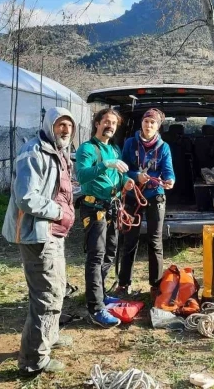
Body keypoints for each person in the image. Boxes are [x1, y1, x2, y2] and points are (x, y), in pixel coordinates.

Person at [2, 107, 77, 376]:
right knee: (46, 296)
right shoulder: (33, 152)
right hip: (38, 234)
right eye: (60, 124)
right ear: (48, 125)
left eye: (69, 125)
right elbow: (26, 197)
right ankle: (33, 361)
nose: (65, 130)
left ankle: (50, 336)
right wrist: (59, 212)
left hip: (53, 233)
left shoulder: (58, 151)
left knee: (57, 287)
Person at [76, 108, 134, 328]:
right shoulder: (87, 149)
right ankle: (95, 307)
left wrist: (126, 182)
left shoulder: (115, 149)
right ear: (97, 123)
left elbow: (118, 176)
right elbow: (82, 175)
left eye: (114, 123)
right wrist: (105, 164)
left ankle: (99, 294)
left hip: (112, 208)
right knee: (96, 256)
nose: (110, 126)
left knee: (110, 253)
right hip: (94, 209)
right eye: (106, 122)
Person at [117, 108, 174, 299]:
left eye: (153, 122)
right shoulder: (130, 143)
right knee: (129, 240)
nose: (148, 125)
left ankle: (155, 285)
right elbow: (123, 169)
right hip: (133, 196)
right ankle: (124, 284)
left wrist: (170, 180)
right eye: (146, 121)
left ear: (158, 126)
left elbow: (168, 170)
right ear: (141, 123)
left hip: (155, 195)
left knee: (155, 241)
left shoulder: (164, 147)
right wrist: (136, 176)